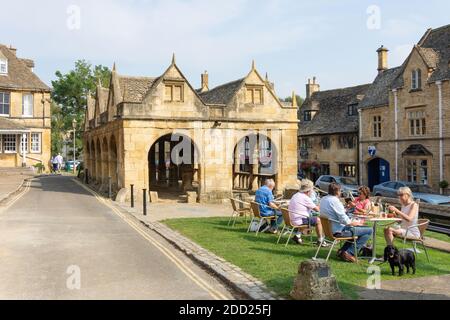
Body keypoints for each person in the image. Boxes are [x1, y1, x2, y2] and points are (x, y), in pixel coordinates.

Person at [320, 183, 373, 263]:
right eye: (340, 190)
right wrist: (354, 223)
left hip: (329, 230)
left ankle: (342, 251)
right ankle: (349, 252)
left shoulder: (323, 199)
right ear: (337, 191)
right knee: (369, 230)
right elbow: (345, 220)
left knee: (359, 231)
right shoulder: (335, 201)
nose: (341, 192)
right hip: (339, 231)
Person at [288, 179, 327, 246]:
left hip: (293, 218)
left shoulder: (296, 195)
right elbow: (317, 209)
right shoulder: (305, 198)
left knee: (309, 218)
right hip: (299, 220)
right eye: (312, 190)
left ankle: (297, 236)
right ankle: (321, 240)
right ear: (308, 190)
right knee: (318, 220)